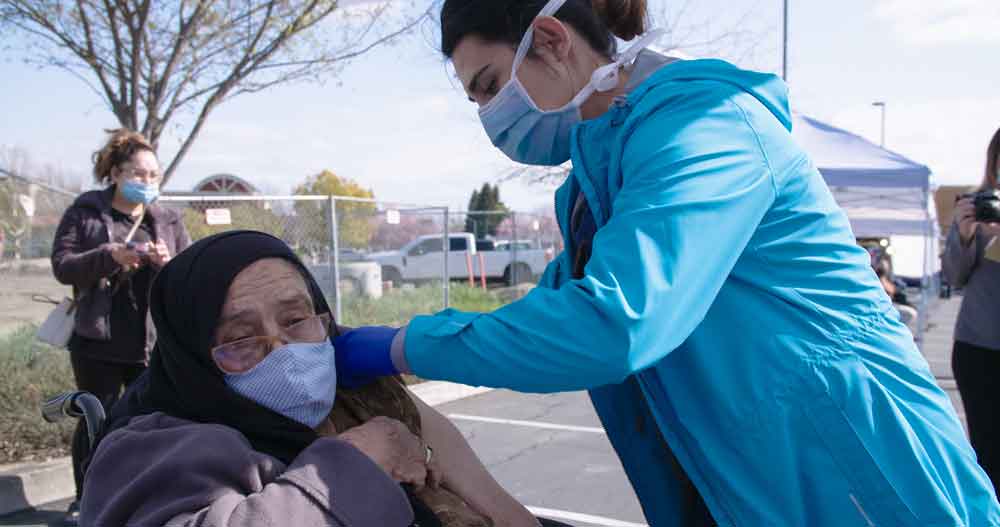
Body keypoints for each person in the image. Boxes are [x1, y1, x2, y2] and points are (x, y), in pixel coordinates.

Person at [332, 0, 1000, 525]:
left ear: (553, 40)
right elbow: (545, 325)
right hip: (749, 494)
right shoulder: (591, 190)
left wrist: (395, 344)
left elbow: (613, 324)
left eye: (488, 86)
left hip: (866, 484)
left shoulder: (709, 124)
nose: (487, 116)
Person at [80, 231, 563, 527]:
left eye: (294, 319)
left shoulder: (349, 376)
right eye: (240, 338)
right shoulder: (150, 446)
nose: (284, 353)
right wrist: (356, 462)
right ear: (191, 355)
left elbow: (457, 461)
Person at [50, 128, 190, 525]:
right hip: (99, 338)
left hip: (153, 340)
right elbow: (63, 265)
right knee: (96, 418)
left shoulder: (167, 218)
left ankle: (143, 501)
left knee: (153, 422)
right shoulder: (87, 212)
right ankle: (88, 500)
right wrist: (112, 255)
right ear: (115, 172)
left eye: (154, 176)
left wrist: (167, 262)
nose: (147, 182)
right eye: (138, 173)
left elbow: (189, 272)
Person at [943, 125, 1000, 492]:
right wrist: (964, 236)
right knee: (987, 451)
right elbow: (953, 277)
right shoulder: (979, 207)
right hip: (978, 346)